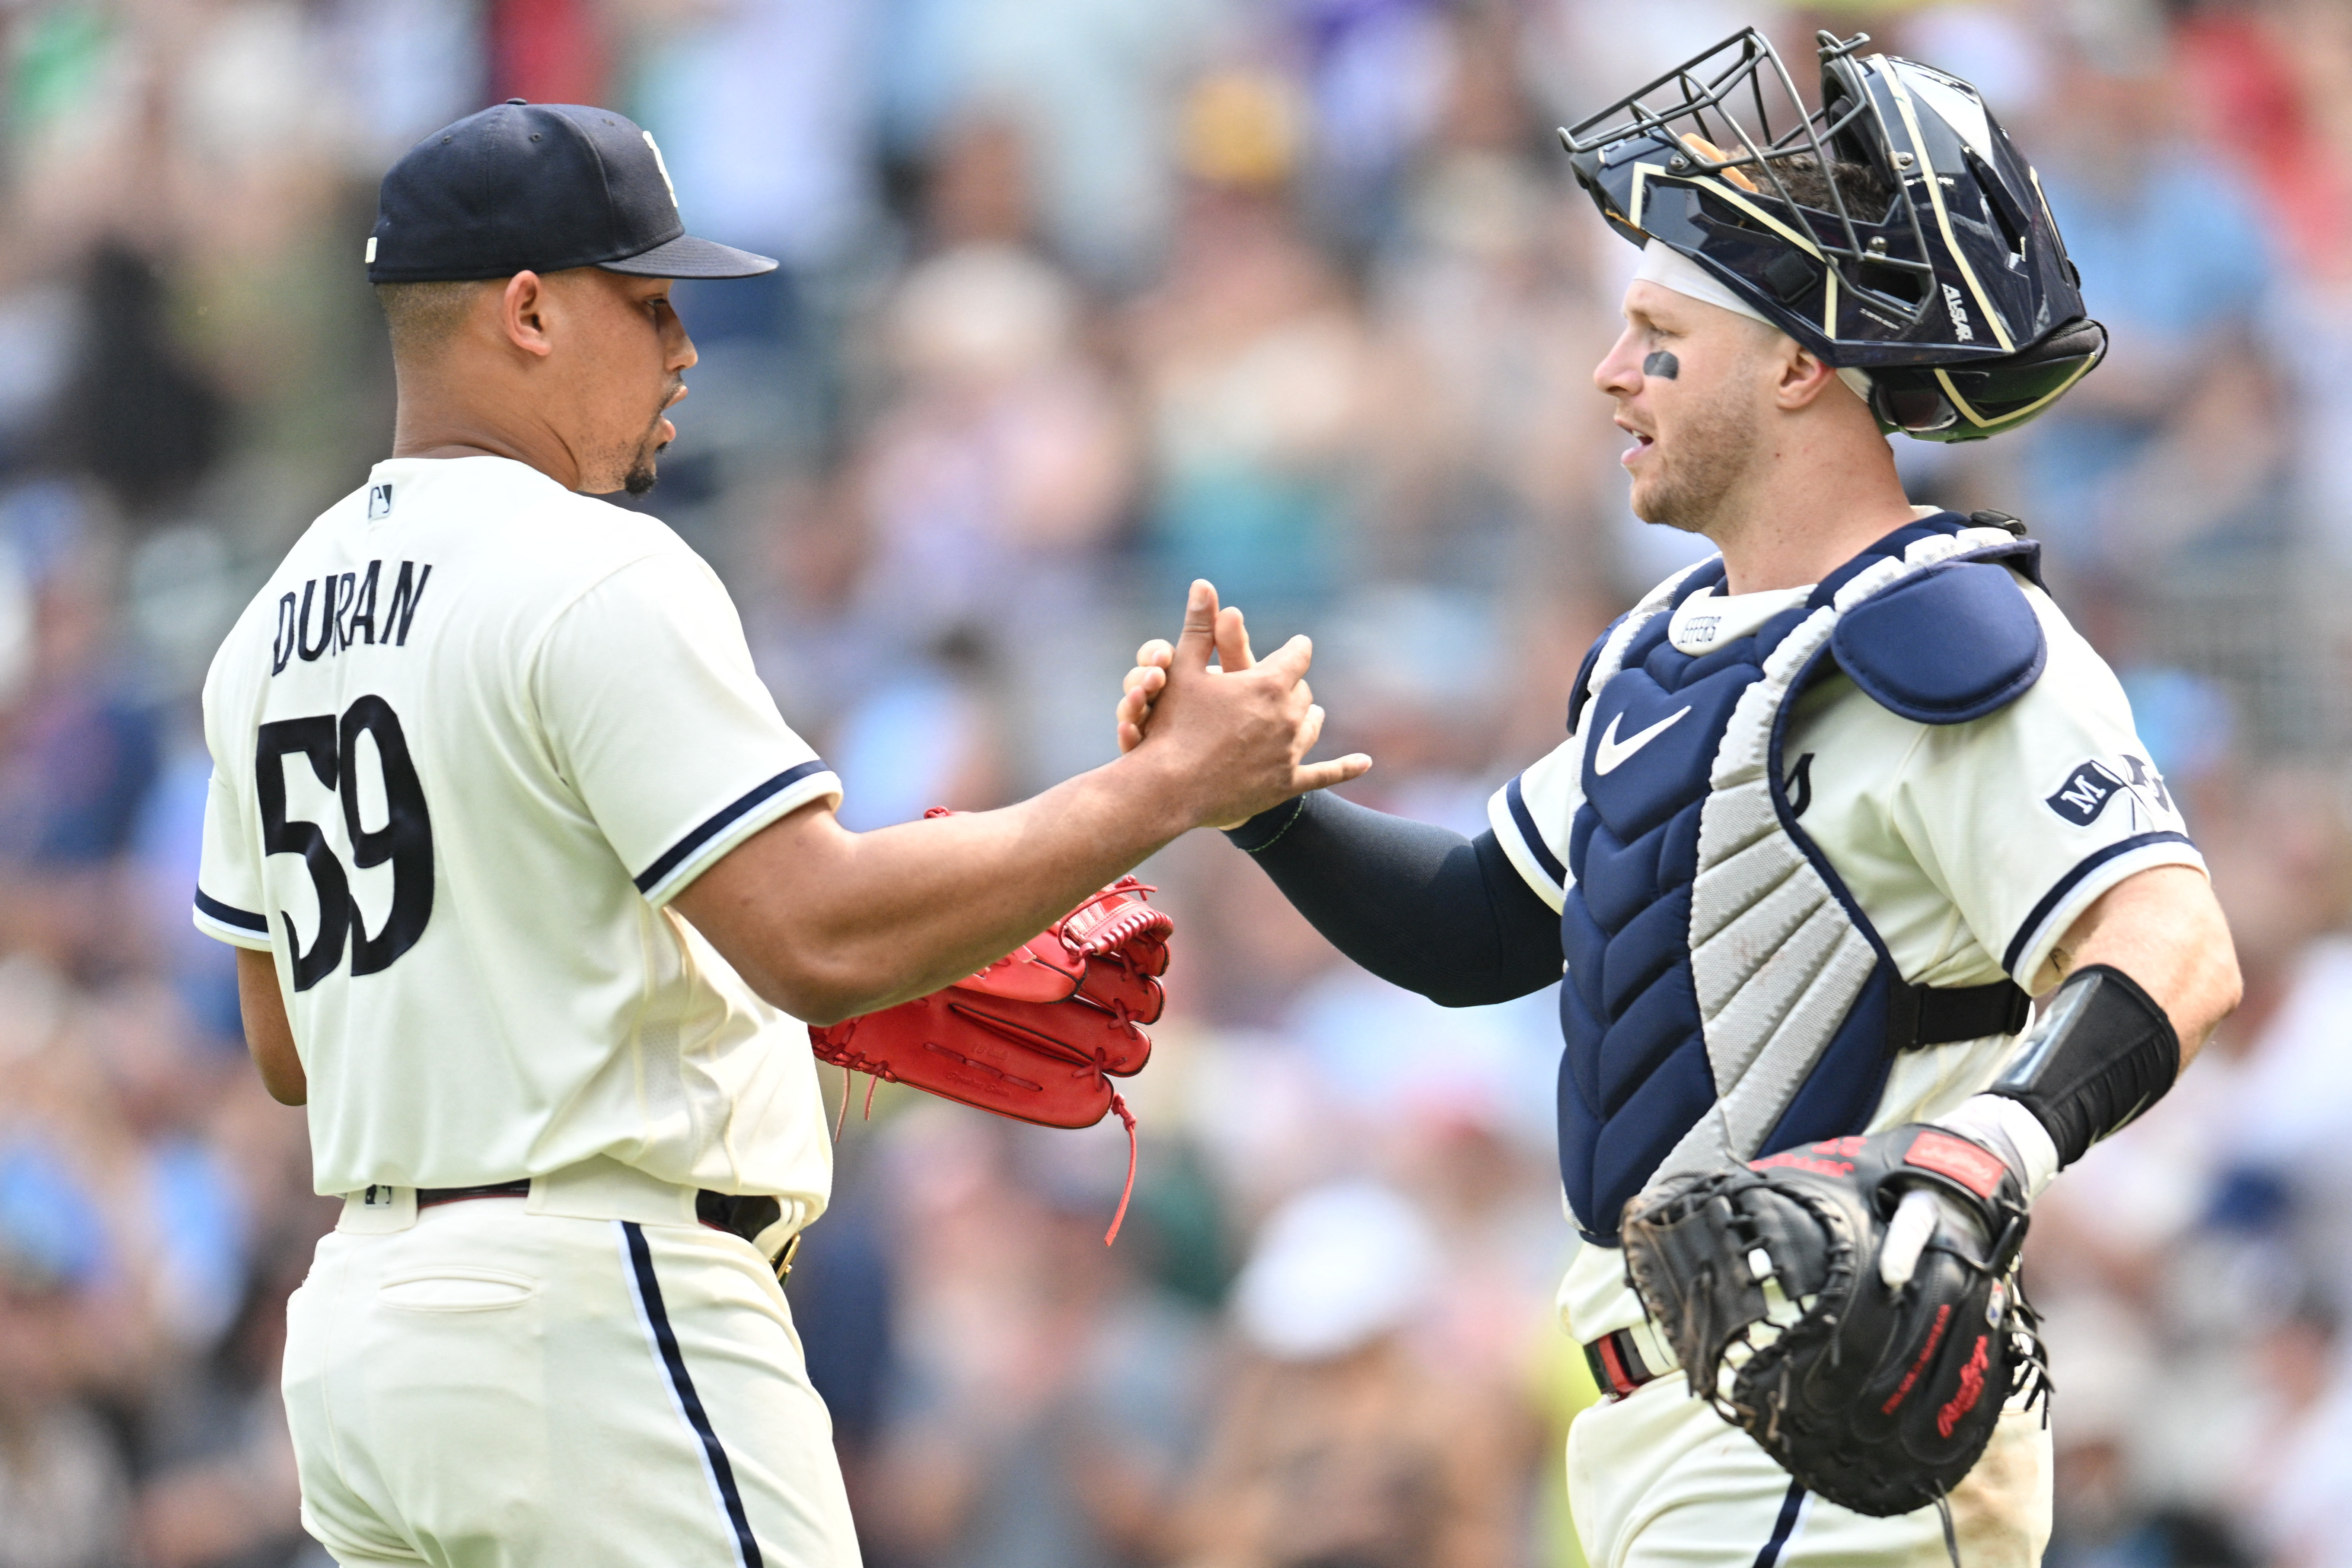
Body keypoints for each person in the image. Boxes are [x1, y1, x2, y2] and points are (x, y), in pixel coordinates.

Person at [1117, 31, 2241, 1568]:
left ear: (1795, 364)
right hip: (1663, 1426)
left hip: (1837, 1421)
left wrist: (1994, 1150)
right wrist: (1255, 807)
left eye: (1656, 337)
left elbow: (2175, 939)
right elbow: (1471, 929)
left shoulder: (1939, 639)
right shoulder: (1674, 646)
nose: (1606, 373)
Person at [189, 99, 1365, 1567]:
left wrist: (617, 974)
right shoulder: (593, 567)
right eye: (649, 302)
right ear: (531, 311)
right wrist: (1165, 788)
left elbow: (293, 1045)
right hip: (596, 1318)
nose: (686, 349)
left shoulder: (268, 627)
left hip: (370, 1348)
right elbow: (817, 932)